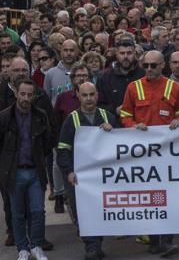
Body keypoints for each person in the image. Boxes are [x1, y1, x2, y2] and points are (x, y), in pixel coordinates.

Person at [119, 50, 179, 257]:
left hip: (167, 154)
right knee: (150, 198)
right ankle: (155, 240)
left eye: (153, 66)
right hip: (143, 154)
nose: (149, 69)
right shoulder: (133, 87)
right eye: (146, 65)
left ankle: (167, 241)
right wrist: (133, 126)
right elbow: (125, 114)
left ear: (162, 65)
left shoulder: (174, 86)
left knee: (169, 197)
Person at [57, 82, 118, 260]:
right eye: (85, 95)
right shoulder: (71, 119)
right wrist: (69, 171)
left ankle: (96, 244)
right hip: (81, 178)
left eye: (92, 94)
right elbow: (63, 149)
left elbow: (123, 144)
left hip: (105, 176)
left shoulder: (108, 117)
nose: (89, 99)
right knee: (84, 212)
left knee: (101, 209)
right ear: (78, 96)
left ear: (97, 95)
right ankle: (92, 246)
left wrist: (113, 131)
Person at [0, 79, 54, 260]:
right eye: (22, 94)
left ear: (34, 96)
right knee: (17, 213)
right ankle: (22, 248)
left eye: (29, 95)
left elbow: (47, 143)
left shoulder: (41, 115)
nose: (25, 98)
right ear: (16, 93)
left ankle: (36, 246)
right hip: (13, 172)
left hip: (34, 171)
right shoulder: (5, 117)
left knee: (38, 211)